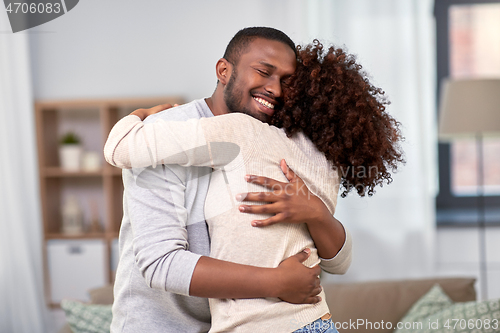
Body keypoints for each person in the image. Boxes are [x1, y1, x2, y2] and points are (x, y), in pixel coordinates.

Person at [105, 40, 403, 332]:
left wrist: (317, 213)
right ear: (223, 70)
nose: (275, 89)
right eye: (263, 71)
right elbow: (161, 263)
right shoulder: (166, 131)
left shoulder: (272, 136)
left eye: (287, 81)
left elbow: (339, 261)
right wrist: (277, 282)